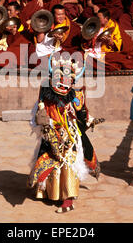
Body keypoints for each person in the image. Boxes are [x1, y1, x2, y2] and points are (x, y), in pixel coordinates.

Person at [29, 52, 100, 213]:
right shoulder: (44, 100)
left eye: (68, 80)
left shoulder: (75, 97)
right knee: (50, 161)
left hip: (70, 135)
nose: (64, 84)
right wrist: (46, 127)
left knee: (69, 163)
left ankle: (68, 199)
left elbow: (82, 115)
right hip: (51, 134)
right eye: (60, 79)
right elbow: (36, 118)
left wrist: (87, 119)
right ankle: (49, 192)